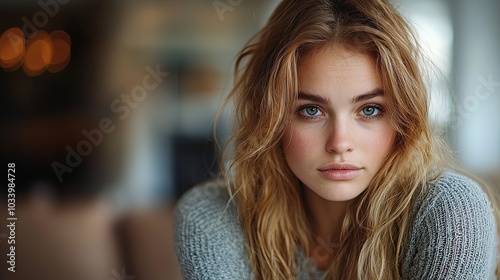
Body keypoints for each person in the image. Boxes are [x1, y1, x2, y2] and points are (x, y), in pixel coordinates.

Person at [174, 0, 499, 279]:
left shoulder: (450, 213)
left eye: (370, 109)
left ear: (404, 118)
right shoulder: (215, 216)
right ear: (270, 118)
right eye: (311, 110)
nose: (340, 142)